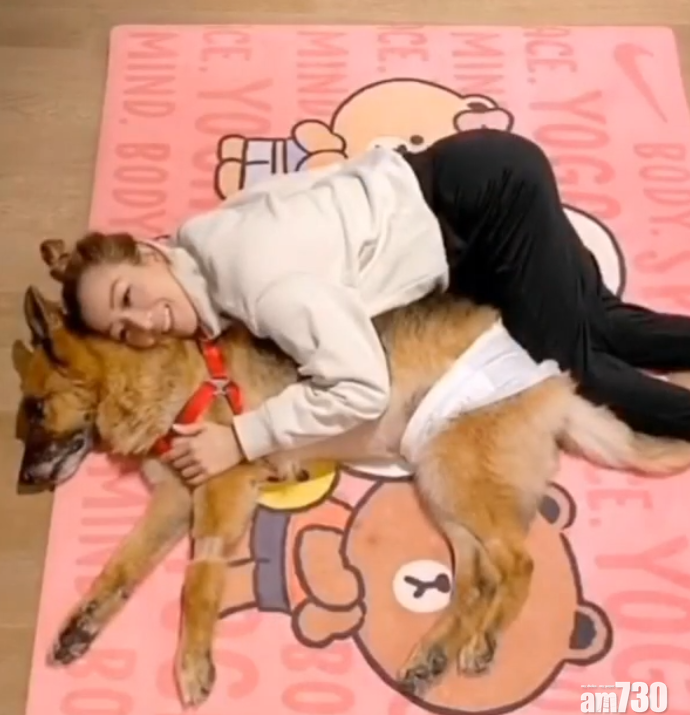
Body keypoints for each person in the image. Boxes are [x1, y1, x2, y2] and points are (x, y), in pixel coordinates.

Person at [48, 128, 690, 487]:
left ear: (148, 255)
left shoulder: (259, 285)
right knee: (599, 320)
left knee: (567, 364)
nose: (145, 324)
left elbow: (361, 386)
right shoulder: (206, 234)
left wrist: (244, 437)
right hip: (466, 175)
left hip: (484, 207)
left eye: (129, 297)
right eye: (123, 331)